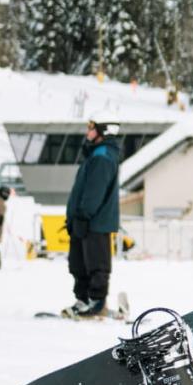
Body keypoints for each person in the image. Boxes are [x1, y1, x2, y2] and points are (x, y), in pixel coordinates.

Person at [63, 120, 123, 316]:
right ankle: (82, 300)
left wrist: (83, 214)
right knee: (78, 263)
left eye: (91, 128)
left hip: (96, 222)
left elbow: (94, 190)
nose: (87, 132)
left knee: (96, 264)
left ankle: (96, 302)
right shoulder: (95, 154)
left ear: (102, 131)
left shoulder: (103, 157)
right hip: (84, 220)